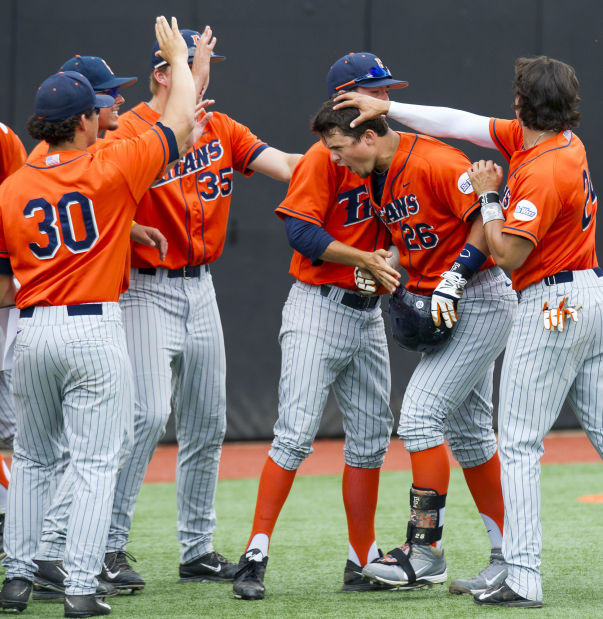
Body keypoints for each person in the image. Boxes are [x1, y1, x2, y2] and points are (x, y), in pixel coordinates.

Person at [335, 54, 603, 608]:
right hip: (585, 294)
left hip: (552, 302)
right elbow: (457, 122)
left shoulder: (543, 166)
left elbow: (505, 252)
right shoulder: (558, 143)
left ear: (520, 105)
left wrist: (487, 195)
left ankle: (521, 574)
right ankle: (506, 559)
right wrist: (387, 108)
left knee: (522, 444)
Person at [85, 27, 302, 589]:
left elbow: (284, 165)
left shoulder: (221, 127)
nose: (205, 73)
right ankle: (107, 545)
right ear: (165, 73)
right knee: (147, 415)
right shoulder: (131, 132)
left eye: (205, 62)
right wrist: (129, 226)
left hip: (199, 286)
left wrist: (349, 157)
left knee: (207, 421)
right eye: (195, 63)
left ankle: (197, 548)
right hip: (145, 288)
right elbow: (91, 200)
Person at [0, 16, 203, 616]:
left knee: (33, 458)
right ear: (87, 119)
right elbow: (182, 122)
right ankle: (82, 587)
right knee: (91, 462)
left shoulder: (12, 187)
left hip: (30, 327)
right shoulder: (110, 167)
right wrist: (182, 63)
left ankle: (16, 580)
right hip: (93, 326)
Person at [231, 52, 425, 602]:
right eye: (376, 90)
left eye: (386, 91)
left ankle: (360, 556)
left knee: (368, 441)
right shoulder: (325, 157)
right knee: (294, 434)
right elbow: (301, 233)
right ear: (347, 101)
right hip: (317, 306)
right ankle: (255, 552)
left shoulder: (392, 155)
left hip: (366, 315)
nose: (385, 98)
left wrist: (387, 260)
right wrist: (362, 260)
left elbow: (403, 234)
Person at [310, 99, 517, 596]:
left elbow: (486, 223)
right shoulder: (376, 172)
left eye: (339, 148)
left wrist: (454, 276)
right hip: (445, 301)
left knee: (421, 417)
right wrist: (383, 262)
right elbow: (419, 236)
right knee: (469, 436)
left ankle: (425, 550)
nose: (336, 160)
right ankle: (512, 553)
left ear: (367, 135)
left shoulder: (435, 161)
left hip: (480, 299)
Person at [0, 121, 25, 556]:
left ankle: (28, 537)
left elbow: (15, 207)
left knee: (26, 437)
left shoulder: (3, 138)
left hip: (8, 316)